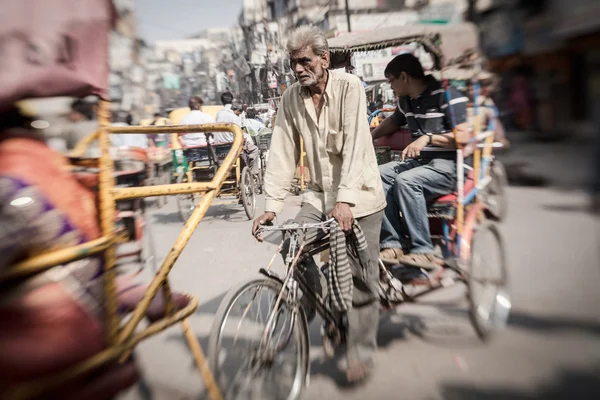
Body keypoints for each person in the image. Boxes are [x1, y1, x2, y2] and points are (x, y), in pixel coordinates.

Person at [252, 26, 385, 383]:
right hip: (316, 195)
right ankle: (322, 300)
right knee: (291, 243)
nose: (297, 69)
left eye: (304, 61)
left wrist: (345, 201)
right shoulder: (291, 98)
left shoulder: (350, 87)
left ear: (324, 60)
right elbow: (281, 150)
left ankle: (360, 351)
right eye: (293, 63)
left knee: (361, 278)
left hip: (361, 197)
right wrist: (272, 204)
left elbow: (358, 145)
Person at [372, 53, 471, 269]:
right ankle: (393, 243)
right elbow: (392, 122)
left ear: (404, 77)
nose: (391, 87)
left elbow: (464, 136)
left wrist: (429, 138)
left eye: (391, 81)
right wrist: (367, 136)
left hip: (449, 166)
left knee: (407, 181)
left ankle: (423, 250)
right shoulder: (406, 101)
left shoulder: (446, 94)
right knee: (375, 175)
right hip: (422, 164)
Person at [215, 94, 259, 176]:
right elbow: (241, 132)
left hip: (219, 148)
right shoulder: (234, 116)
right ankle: (253, 174)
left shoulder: (218, 114)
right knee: (255, 149)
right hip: (233, 147)